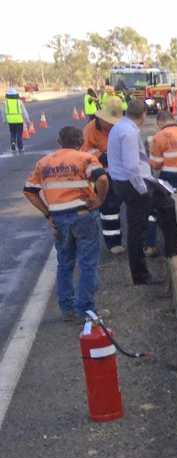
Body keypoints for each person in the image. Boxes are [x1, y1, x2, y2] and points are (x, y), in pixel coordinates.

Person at [22, 126, 110, 320]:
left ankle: (68, 309)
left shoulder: (44, 162)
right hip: (83, 216)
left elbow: (29, 191)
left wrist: (48, 214)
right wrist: (99, 199)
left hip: (59, 219)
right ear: (80, 142)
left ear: (59, 142)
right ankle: (86, 311)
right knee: (87, 263)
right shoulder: (85, 158)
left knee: (65, 264)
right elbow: (102, 179)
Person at [107, 99, 177, 285]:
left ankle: (172, 248)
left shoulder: (119, 127)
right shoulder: (129, 132)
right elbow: (132, 166)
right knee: (137, 230)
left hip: (124, 181)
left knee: (166, 204)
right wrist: (143, 190)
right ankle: (140, 276)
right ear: (143, 115)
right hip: (133, 184)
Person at [82, 96, 125, 254]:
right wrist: (101, 156)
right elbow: (84, 152)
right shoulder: (90, 130)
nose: (112, 124)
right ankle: (113, 243)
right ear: (101, 117)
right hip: (103, 174)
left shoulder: (121, 127)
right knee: (109, 209)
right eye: (110, 121)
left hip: (122, 172)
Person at [5, 87, 31, 155]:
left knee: (12, 133)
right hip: (19, 120)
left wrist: (4, 120)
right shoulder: (19, 101)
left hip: (10, 121)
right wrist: (27, 119)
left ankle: (13, 145)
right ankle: (20, 147)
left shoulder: (6, 102)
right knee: (19, 134)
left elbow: (4, 113)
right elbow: (24, 111)